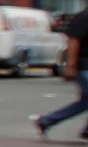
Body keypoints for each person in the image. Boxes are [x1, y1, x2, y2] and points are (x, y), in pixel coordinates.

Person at [32, 11, 88, 140]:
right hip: (84, 65)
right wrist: (70, 65)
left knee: (85, 102)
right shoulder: (84, 17)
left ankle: (46, 121)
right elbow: (73, 41)